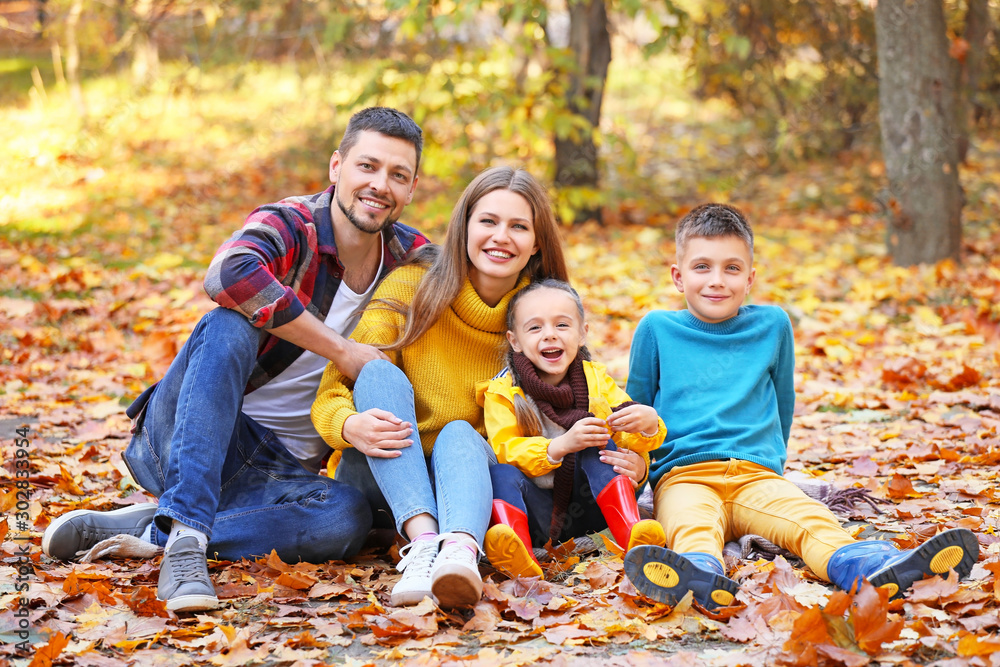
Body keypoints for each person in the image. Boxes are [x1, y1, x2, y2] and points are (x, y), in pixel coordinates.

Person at [41, 107, 430, 613]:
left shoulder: (412, 261)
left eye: (397, 175)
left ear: (413, 187)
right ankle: (184, 546)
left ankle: (165, 526)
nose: (380, 185)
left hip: (281, 472)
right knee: (230, 322)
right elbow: (227, 274)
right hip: (190, 436)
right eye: (367, 167)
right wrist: (342, 350)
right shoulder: (293, 224)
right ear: (337, 167)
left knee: (346, 519)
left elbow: (482, 292)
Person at [622, 203, 979, 611]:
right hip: (684, 476)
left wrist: (770, 461)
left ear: (751, 278)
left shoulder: (772, 325)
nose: (717, 281)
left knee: (808, 520)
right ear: (678, 275)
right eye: (702, 267)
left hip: (756, 475)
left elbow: (783, 402)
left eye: (732, 269)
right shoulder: (657, 329)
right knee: (690, 527)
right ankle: (698, 577)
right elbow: (635, 413)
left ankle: (876, 568)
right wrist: (639, 474)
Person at [311, 166, 569, 609]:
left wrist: (627, 453)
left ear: (537, 243)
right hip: (385, 465)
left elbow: (583, 399)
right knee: (375, 372)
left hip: (470, 480)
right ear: (464, 227)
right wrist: (349, 425)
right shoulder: (414, 286)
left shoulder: (542, 314)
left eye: (518, 226)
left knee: (457, 433)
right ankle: (424, 542)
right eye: (488, 221)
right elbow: (334, 388)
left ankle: (458, 555)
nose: (501, 237)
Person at [477, 279, 667, 580]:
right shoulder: (503, 393)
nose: (550, 335)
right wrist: (559, 446)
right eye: (535, 328)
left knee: (596, 441)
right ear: (515, 341)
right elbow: (505, 449)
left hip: (592, 508)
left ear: (582, 334)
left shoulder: (596, 381)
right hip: (537, 513)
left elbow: (626, 434)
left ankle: (631, 534)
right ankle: (518, 555)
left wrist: (646, 426)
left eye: (562, 325)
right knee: (499, 473)